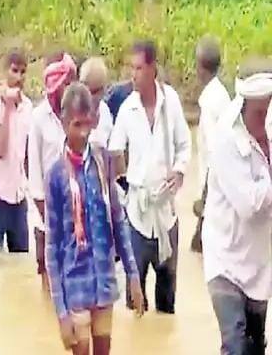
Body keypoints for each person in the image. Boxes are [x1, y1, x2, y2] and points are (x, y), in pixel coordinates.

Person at [46, 82, 144, 355]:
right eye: (76, 125)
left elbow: (118, 221)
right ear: (63, 122)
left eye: (86, 124)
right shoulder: (55, 174)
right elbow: (52, 246)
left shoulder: (103, 162)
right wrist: (60, 313)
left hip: (103, 279)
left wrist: (133, 275)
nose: (82, 133)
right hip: (73, 284)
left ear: (95, 120)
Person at [109, 40, 191, 314]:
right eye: (131, 68)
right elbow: (114, 150)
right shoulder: (127, 109)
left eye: (139, 68)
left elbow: (185, 145)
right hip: (137, 213)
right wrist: (124, 184)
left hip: (166, 213)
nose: (133, 74)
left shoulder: (172, 103)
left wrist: (179, 172)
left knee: (167, 301)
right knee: (135, 301)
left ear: (153, 68)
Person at [202, 69, 272, 354]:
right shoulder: (225, 139)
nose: (264, 119)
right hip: (225, 260)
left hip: (259, 260)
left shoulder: (269, 125)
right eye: (259, 113)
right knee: (234, 345)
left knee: (256, 345)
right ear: (244, 106)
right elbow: (248, 204)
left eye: (267, 110)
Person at [28, 51, 76, 291]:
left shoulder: (74, 117)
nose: (70, 88)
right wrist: (53, 223)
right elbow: (34, 176)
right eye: (66, 82)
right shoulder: (37, 118)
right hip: (47, 220)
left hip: (75, 216)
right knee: (51, 293)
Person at [0, 49, 32, 252]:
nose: (19, 77)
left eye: (23, 72)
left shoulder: (28, 106)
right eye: (14, 71)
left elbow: (28, 154)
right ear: (5, 72)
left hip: (19, 196)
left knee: (21, 260)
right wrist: (8, 108)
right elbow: (1, 149)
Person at [190, 36, 231, 253]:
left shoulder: (211, 103)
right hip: (215, 191)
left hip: (213, 191)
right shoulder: (220, 95)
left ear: (199, 67)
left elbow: (216, 154)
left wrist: (204, 199)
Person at [79, 56, 113, 148]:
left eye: (94, 92)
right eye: (87, 90)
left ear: (103, 89)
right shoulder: (73, 113)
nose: (90, 97)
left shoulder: (105, 112)